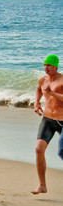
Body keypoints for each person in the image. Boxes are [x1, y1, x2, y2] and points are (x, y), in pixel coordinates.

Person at [32, 54, 63, 195]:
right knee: (39, 149)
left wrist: (53, 93)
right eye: (44, 65)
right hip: (48, 119)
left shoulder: (62, 80)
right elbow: (39, 89)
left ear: (56, 66)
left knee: (62, 152)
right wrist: (36, 103)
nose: (46, 68)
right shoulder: (42, 80)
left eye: (49, 65)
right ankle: (42, 185)